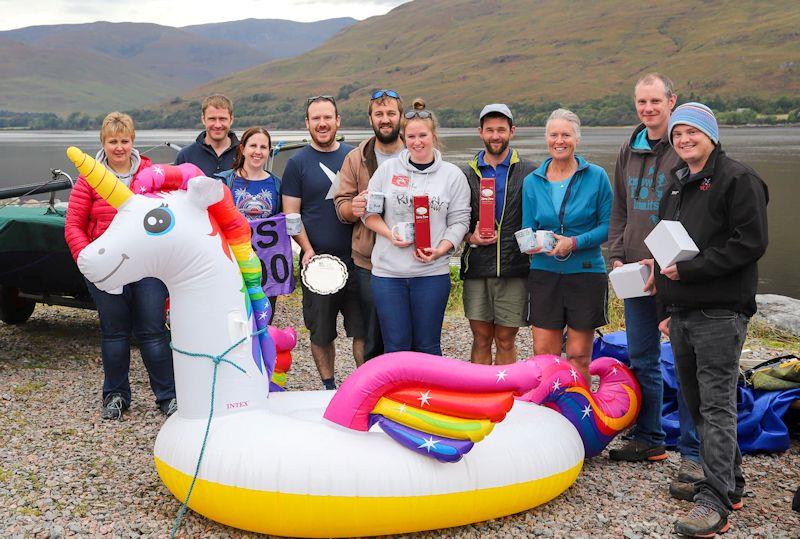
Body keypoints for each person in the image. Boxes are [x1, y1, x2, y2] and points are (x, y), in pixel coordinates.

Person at [650, 103, 767, 537]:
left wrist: (693, 270)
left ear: (711, 135)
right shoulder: (676, 185)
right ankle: (729, 482)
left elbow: (750, 243)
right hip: (681, 313)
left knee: (717, 406)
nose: (684, 140)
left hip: (721, 311)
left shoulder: (739, 179)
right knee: (698, 405)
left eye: (692, 132)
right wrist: (665, 308)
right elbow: (666, 250)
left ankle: (715, 500)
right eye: (678, 134)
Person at [606, 74, 702, 493]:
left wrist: (666, 260)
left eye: (655, 101)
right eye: (642, 101)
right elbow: (621, 208)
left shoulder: (685, 146)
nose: (648, 108)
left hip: (677, 272)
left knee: (685, 363)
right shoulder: (629, 148)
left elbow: (697, 214)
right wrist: (615, 255)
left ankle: (696, 454)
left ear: (671, 101)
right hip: (637, 274)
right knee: (641, 356)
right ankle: (649, 439)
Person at [65, 112, 176, 420]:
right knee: (114, 333)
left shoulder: (151, 174)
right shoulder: (90, 178)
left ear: (133, 141)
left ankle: (168, 396)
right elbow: (73, 224)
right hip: (107, 269)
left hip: (147, 267)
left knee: (152, 331)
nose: (119, 148)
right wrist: (86, 260)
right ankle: (115, 396)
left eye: (124, 141)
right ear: (104, 142)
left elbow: (166, 216)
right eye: (112, 141)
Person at [364, 98, 470, 356]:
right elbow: (369, 214)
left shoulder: (452, 175)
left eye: (423, 135)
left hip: (431, 274)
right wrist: (389, 234)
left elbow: (459, 222)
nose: (417, 141)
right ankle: (397, 397)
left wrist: (441, 249)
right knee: (396, 345)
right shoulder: (387, 170)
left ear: (433, 136)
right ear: (403, 137)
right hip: (389, 275)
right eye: (411, 136)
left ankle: (429, 397)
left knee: (427, 346)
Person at [521, 108, 612, 386]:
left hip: (585, 273)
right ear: (546, 138)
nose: (559, 140)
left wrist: (573, 243)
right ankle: (549, 415)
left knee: (578, 357)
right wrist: (533, 244)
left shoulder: (597, 176)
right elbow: (527, 230)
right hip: (544, 273)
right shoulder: (531, 181)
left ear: (577, 139)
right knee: (544, 355)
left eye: (566, 134)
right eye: (553, 134)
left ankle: (578, 418)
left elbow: (609, 227)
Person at [282, 96, 364, 389]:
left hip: (358, 261)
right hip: (318, 265)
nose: (322, 123)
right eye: (316, 118)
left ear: (338, 120)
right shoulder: (296, 164)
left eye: (327, 117)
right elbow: (291, 215)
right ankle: (328, 387)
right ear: (307, 124)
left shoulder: (356, 157)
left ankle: (362, 387)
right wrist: (307, 249)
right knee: (321, 332)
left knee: (363, 331)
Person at [460, 104, 536, 365]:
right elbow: (455, 221)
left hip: (514, 267)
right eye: (489, 130)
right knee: (481, 337)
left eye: (501, 130)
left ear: (512, 132)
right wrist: (470, 237)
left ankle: (506, 397)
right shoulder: (465, 174)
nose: (495, 135)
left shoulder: (530, 171)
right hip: (477, 266)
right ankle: (478, 396)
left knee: (506, 338)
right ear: (480, 132)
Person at [334, 89, 405, 361]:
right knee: (371, 333)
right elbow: (341, 203)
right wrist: (352, 208)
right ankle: (372, 394)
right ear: (371, 119)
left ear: (400, 117)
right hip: (368, 261)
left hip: (408, 257)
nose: (385, 119)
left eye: (390, 113)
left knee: (403, 330)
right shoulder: (355, 157)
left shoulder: (415, 152)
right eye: (379, 114)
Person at [216, 126, 282, 323]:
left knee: (263, 321)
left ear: (269, 151)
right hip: (232, 264)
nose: (258, 151)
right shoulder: (224, 181)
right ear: (242, 148)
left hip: (265, 267)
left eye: (263, 147)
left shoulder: (277, 184)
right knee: (233, 320)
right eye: (253, 145)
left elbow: (281, 224)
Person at [175, 94, 239, 177]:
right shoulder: (186, 155)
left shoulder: (245, 153)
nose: (217, 125)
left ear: (231, 119)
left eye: (222, 119)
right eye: (212, 119)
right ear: (203, 119)